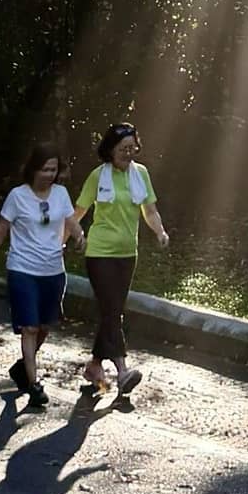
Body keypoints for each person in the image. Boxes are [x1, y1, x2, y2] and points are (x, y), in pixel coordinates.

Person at [0, 145, 83, 410]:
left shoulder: (61, 194)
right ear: (33, 169)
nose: (49, 174)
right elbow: (1, 231)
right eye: (45, 169)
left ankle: (22, 368)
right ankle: (34, 385)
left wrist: (80, 236)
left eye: (53, 170)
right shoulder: (18, 196)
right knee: (29, 327)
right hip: (22, 269)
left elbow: (71, 221)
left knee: (44, 325)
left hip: (53, 271)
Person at [74, 121, 168, 398]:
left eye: (132, 148)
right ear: (110, 150)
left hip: (128, 254)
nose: (129, 154)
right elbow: (77, 212)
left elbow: (150, 210)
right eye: (123, 149)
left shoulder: (141, 174)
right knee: (113, 311)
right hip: (99, 253)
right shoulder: (98, 176)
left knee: (111, 311)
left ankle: (94, 366)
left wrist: (160, 232)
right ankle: (122, 371)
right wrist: (63, 240)